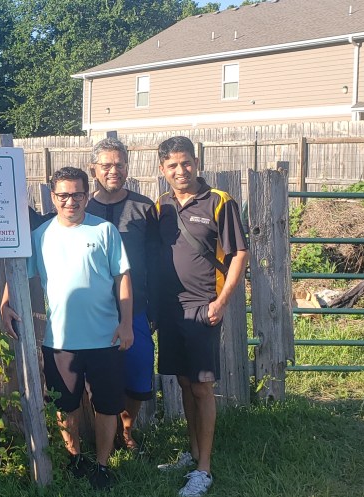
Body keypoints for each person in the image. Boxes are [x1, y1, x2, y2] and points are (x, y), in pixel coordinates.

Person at [1, 166, 133, 490]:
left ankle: (101, 465)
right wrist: (4, 303)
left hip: (106, 337)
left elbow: (123, 278)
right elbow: (21, 273)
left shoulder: (104, 231)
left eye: (76, 194)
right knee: (65, 407)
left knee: (107, 406)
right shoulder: (40, 235)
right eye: (63, 195)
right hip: (60, 340)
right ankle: (74, 459)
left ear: (87, 196)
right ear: (53, 196)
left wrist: (126, 323)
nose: (70, 201)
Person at [153, 136, 248, 497]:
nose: (181, 171)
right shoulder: (160, 206)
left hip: (204, 305)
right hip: (171, 309)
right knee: (183, 382)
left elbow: (239, 253)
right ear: (163, 170)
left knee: (202, 385)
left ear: (197, 162)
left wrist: (221, 302)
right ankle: (192, 453)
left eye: (186, 163)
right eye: (172, 166)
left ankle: (204, 470)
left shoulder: (219, 202)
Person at [86, 137, 159, 452]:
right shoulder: (80, 206)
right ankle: (100, 434)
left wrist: (156, 308)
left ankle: (126, 431)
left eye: (119, 164)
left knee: (140, 373)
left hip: (137, 307)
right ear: (94, 170)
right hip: (92, 311)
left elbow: (158, 260)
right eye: (106, 165)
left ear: (127, 167)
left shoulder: (145, 208)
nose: (113, 170)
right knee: (94, 377)